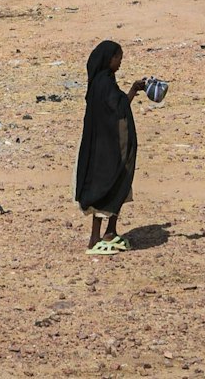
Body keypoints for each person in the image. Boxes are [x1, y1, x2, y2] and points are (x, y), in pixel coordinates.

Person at [75, 40, 144, 253]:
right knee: (104, 186)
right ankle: (95, 238)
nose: (120, 62)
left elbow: (117, 106)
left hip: (104, 145)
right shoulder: (103, 85)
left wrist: (132, 90)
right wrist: (132, 90)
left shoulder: (102, 82)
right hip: (105, 148)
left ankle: (110, 232)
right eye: (118, 58)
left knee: (119, 185)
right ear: (108, 59)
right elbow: (118, 109)